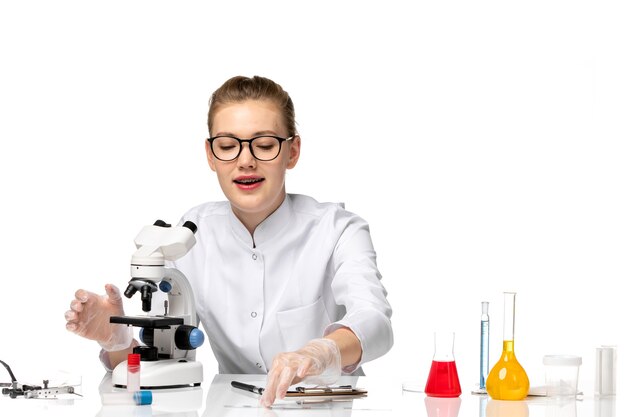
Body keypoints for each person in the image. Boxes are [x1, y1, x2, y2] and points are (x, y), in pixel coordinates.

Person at [64, 75, 393, 407]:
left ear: (292, 152)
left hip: (322, 409)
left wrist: (321, 351)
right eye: (227, 145)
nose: (245, 160)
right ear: (211, 155)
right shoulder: (191, 235)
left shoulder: (338, 230)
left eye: (264, 144)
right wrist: (116, 340)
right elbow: (164, 362)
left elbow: (375, 321)